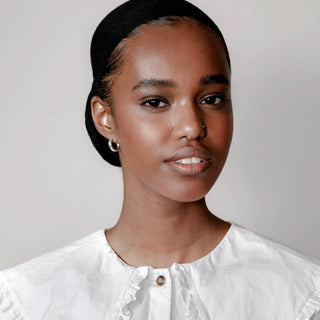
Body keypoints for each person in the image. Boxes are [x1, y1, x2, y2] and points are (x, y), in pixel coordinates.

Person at [0, 0, 319, 319]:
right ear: (106, 117)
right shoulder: (30, 300)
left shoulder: (300, 295)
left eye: (211, 99)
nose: (193, 127)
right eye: (155, 102)